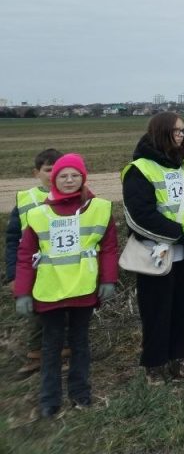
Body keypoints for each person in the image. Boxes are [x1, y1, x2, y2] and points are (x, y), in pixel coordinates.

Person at [14, 154, 117, 418]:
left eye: (75, 175)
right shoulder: (38, 214)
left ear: (83, 178)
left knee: (80, 343)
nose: (69, 180)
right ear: (54, 180)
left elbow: (108, 249)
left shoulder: (99, 208)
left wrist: (108, 279)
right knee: (51, 347)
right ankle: (49, 399)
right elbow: (25, 256)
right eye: (63, 175)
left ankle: (80, 393)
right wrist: (22, 292)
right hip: (50, 293)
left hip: (83, 290)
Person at [123, 113, 184, 382]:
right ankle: (154, 364)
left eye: (183, 131)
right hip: (157, 253)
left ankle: (178, 358)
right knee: (157, 310)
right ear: (160, 133)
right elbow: (140, 216)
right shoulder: (139, 169)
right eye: (175, 131)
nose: (181, 135)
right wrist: (181, 236)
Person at [5, 148, 62, 378]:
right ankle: (36, 355)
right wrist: (13, 275)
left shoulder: (78, 197)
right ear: (36, 173)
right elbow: (12, 240)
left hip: (66, 269)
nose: (53, 174)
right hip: (34, 269)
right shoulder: (26, 200)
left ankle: (64, 353)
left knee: (66, 313)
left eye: (58, 169)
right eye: (48, 170)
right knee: (38, 313)